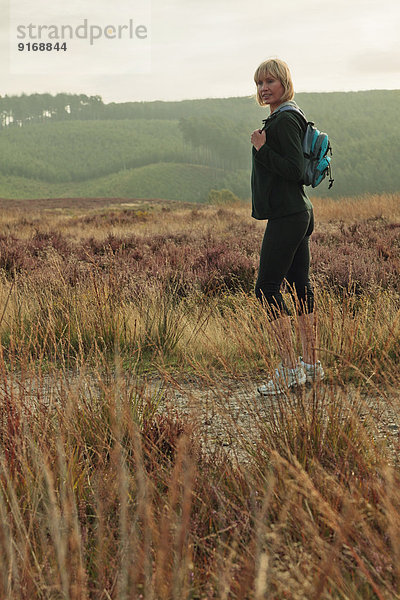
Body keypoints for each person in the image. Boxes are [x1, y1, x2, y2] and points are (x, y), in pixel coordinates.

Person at [250, 58, 324, 395]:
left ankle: (290, 370)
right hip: (298, 212)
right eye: (260, 84)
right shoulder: (289, 116)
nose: (264, 89)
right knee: (299, 287)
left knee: (266, 288)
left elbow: (294, 169)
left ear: (284, 83)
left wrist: (262, 149)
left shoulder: (283, 122)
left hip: (288, 215)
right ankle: (310, 364)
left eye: (270, 82)